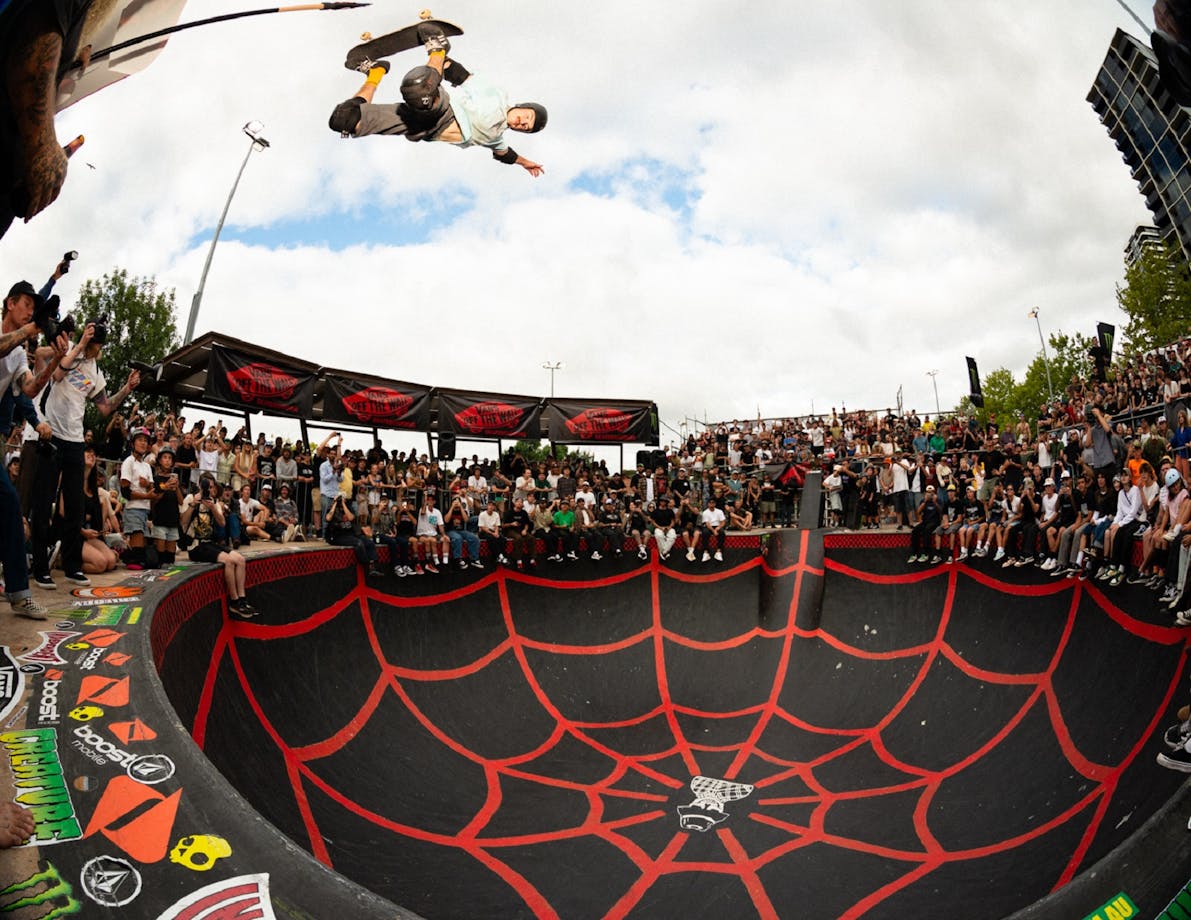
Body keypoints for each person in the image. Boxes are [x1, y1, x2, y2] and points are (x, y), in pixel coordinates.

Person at [329, 26, 546, 176]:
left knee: (344, 120)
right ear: (522, 106)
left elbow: (506, 155)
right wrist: (441, 61)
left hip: (418, 128)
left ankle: (376, 72)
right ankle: (438, 47)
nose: (522, 122)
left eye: (525, 127)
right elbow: (461, 77)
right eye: (526, 116)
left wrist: (525, 164)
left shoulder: (496, 138)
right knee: (418, 88)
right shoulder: (496, 96)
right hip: (443, 111)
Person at [182, 476, 255, 617]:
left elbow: (222, 523)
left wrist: (213, 508)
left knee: (240, 560)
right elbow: (183, 522)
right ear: (199, 486)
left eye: (211, 487)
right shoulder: (190, 498)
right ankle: (234, 602)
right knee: (228, 561)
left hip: (210, 543)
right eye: (206, 487)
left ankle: (242, 600)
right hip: (195, 545)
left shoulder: (213, 501)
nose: (209, 490)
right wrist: (193, 504)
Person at [326, 492, 384, 577]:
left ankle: (374, 566)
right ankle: (367, 566)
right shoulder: (332, 508)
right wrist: (335, 503)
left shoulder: (349, 508)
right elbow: (328, 518)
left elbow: (351, 518)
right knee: (358, 543)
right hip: (337, 536)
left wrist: (343, 504)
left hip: (350, 534)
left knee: (369, 542)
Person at [699, 497, 727, 562]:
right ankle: (706, 552)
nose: (711, 504)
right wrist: (714, 531)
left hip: (717, 525)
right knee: (705, 532)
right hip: (709, 526)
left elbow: (723, 522)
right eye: (710, 503)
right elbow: (707, 524)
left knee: (722, 532)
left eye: (713, 503)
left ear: (715, 504)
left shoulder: (719, 511)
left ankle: (718, 551)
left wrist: (718, 528)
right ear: (708, 504)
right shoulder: (705, 512)